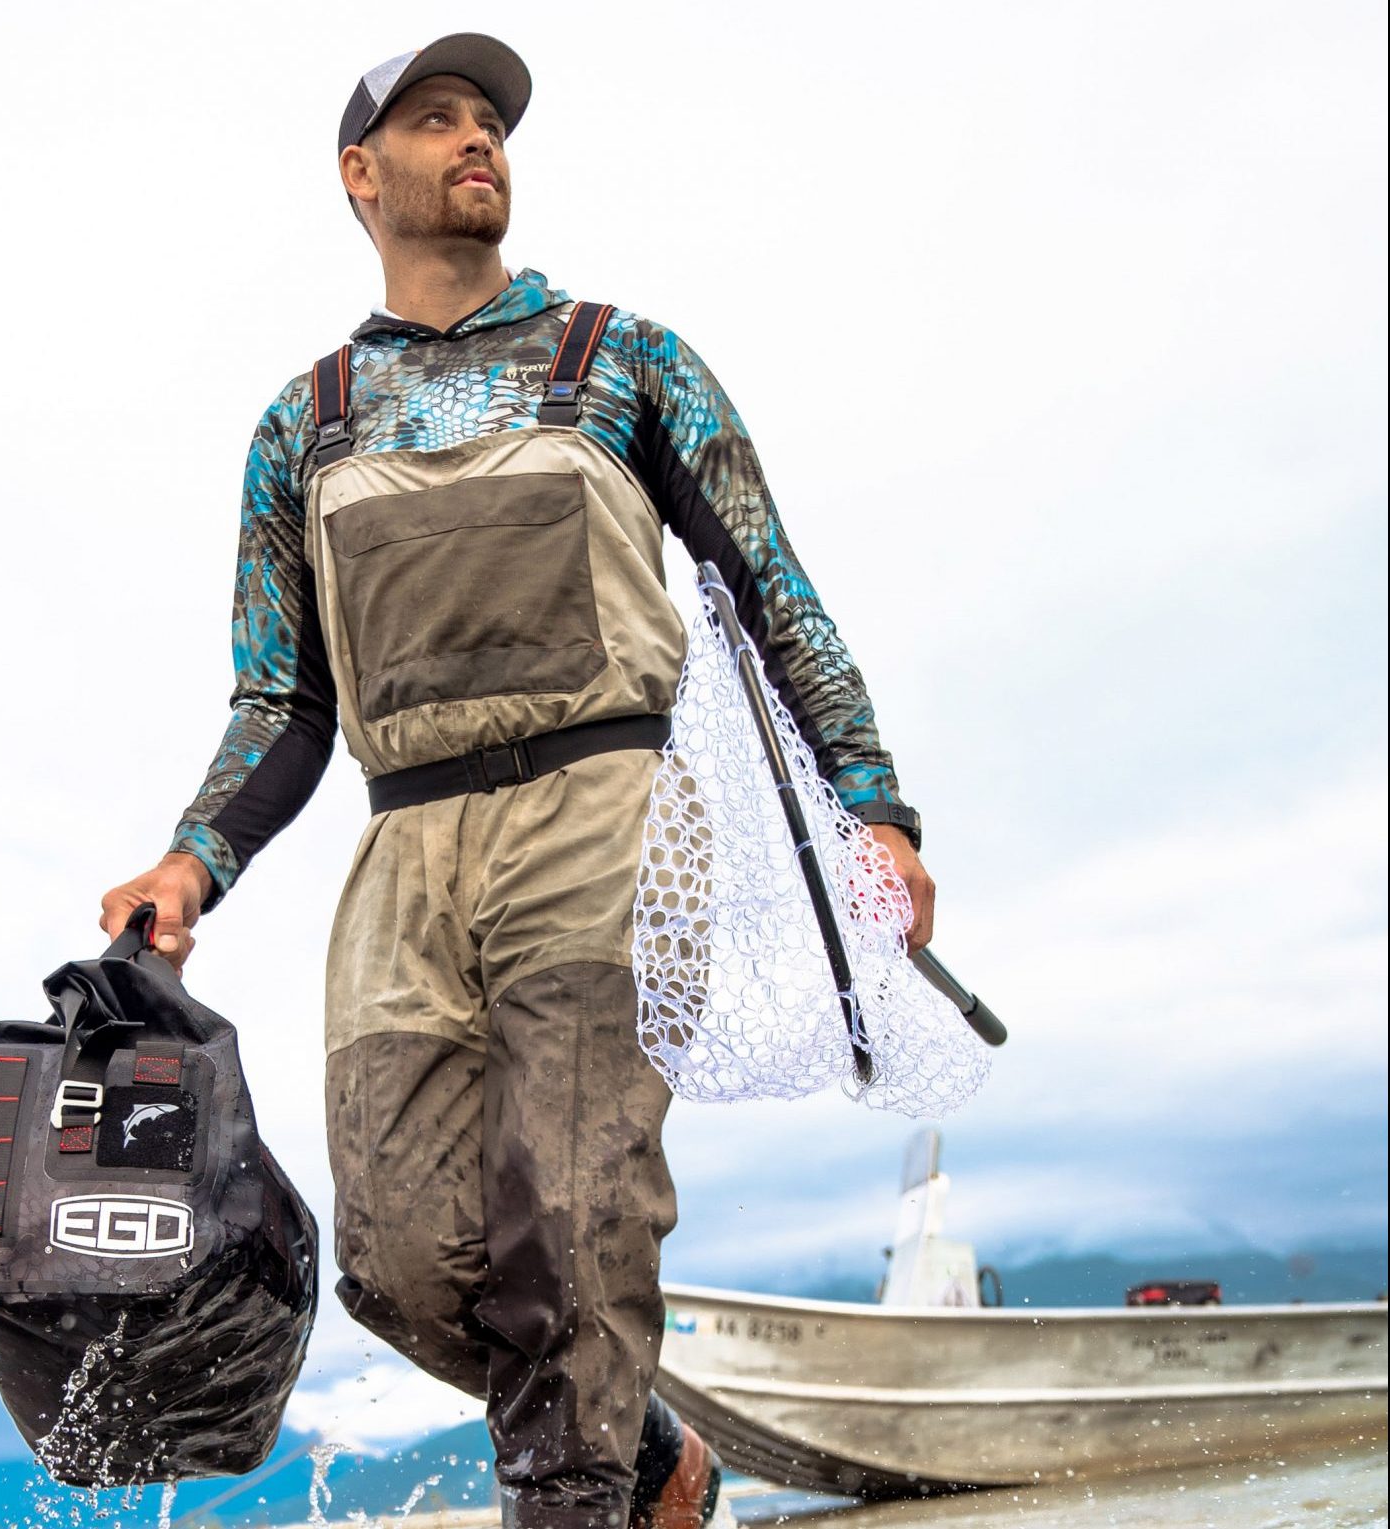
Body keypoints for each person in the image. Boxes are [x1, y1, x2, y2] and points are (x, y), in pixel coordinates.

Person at [100, 33, 935, 1529]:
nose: (476, 138)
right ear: (361, 176)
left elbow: (773, 588)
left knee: (571, 1216)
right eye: (435, 119)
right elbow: (283, 700)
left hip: (603, 820)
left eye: (488, 119)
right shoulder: (305, 424)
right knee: (394, 1259)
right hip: (405, 852)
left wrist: (872, 804)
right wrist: (191, 860)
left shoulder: (623, 359)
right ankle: (656, 1451)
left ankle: (571, 1500)